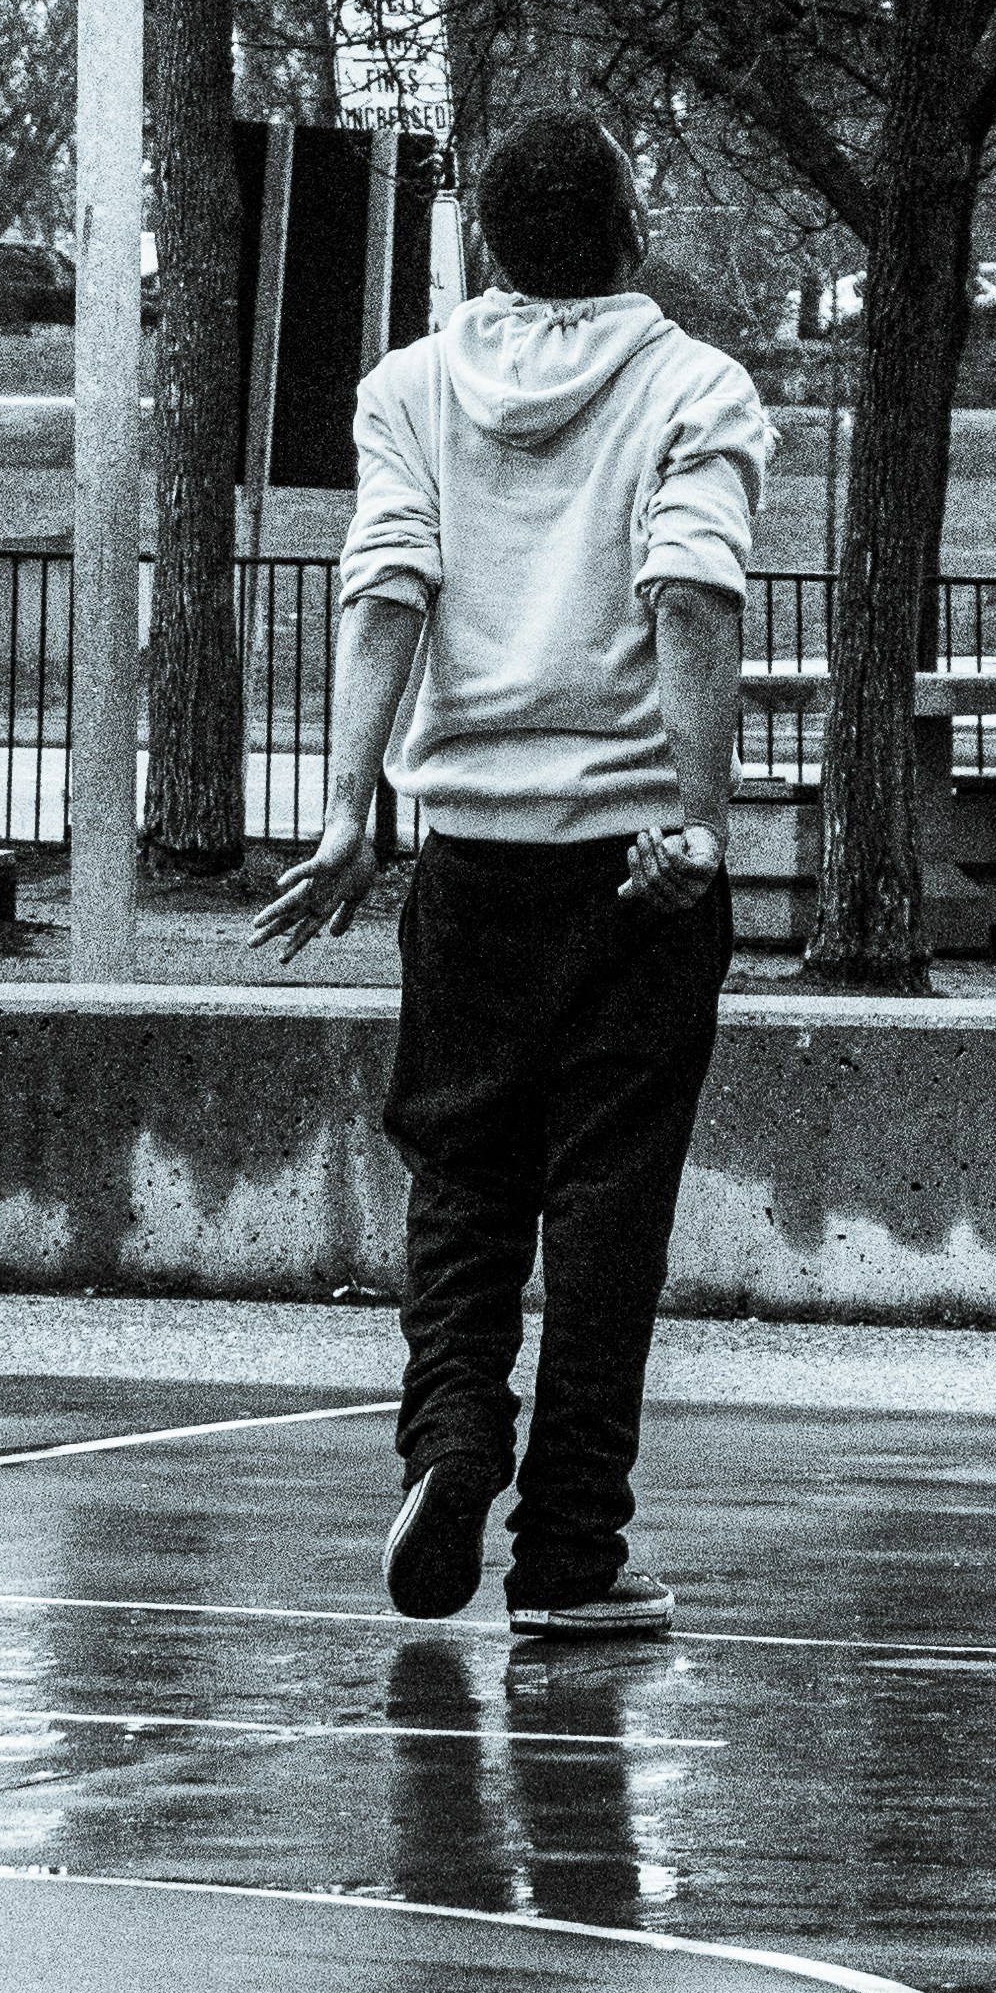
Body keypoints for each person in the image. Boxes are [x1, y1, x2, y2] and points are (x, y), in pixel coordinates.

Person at [254, 109, 770, 1643]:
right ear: (631, 228)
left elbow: (384, 587)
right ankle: (570, 1552)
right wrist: (696, 820)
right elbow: (691, 595)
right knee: (608, 1204)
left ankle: (452, 1438)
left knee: (464, 1176)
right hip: (634, 866)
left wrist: (347, 812)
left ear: (485, 243)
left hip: (472, 852)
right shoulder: (695, 388)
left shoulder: (409, 390)